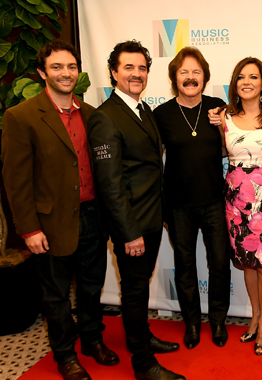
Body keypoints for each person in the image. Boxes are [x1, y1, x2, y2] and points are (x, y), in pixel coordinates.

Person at [2, 40, 119, 380]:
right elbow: (15, 181)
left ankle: (92, 340)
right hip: (49, 224)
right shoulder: (21, 117)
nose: (65, 73)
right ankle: (65, 355)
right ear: (42, 73)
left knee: (91, 287)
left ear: (78, 72)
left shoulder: (93, 115)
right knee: (56, 296)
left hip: (92, 217)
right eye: (57, 67)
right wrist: (28, 229)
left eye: (70, 67)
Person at [87, 40, 184, 380]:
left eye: (142, 67)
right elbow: (110, 184)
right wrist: (128, 233)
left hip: (152, 217)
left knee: (139, 286)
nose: (136, 73)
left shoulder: (142, 110)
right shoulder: (105, 118)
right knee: (134, 289)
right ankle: (143, 364)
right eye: (128, 67)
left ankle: (139, 337)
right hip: (133, 225)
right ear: (113, 72)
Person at [153, 47, 231, 350]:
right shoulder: (161, 114)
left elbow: (229, 151)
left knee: (220, 264)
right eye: (184, 72)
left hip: (214, 200)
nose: (190, 77)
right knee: (185, 265)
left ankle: (218, 321)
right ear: (175, 77)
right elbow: (152, 158)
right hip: (178, 204)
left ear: (205, 77)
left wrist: (222, 128)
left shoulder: (217, 107)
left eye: (196, 72)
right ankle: (192, 323)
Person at [220, 57, 262, 356]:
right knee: (247, 260)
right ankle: (254, 317)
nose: (247, 82)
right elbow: (217, 152)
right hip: (236, 199)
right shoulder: (223, 117)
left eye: (254, 77)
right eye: (241, 77)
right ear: (235, 84)